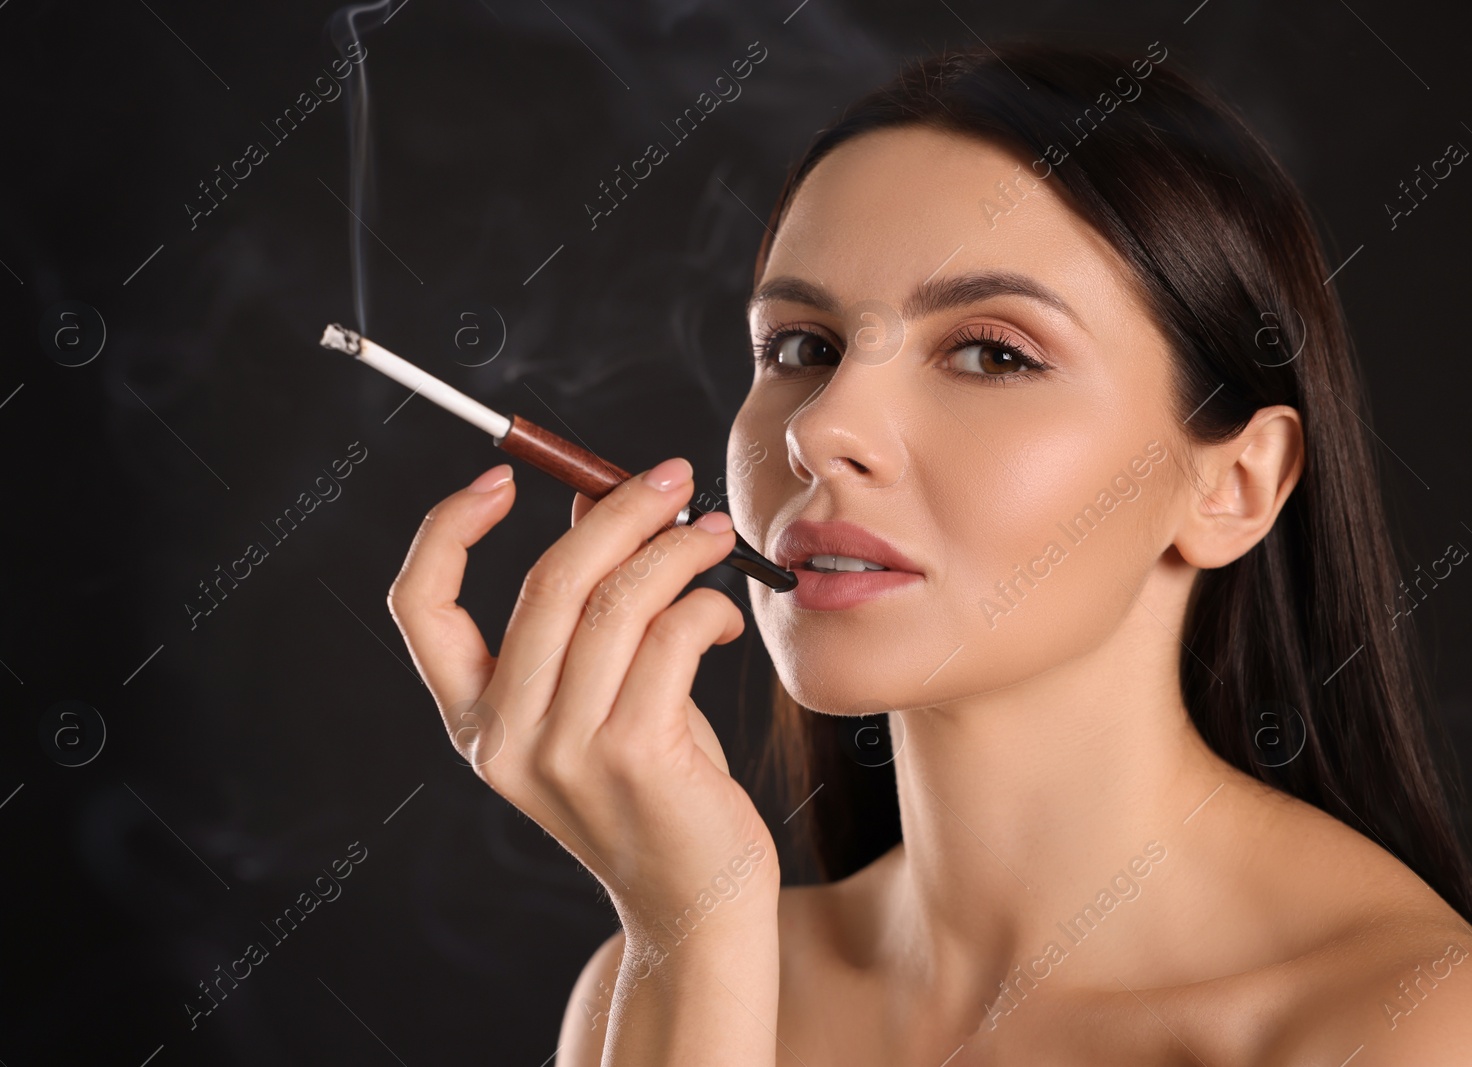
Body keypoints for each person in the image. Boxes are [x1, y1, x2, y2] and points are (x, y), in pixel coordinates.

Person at [389, 42, 1472, 1064]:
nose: (820, 429)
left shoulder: (1407, 1024)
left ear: (1232, 487)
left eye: (991, 353)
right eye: (801, 348)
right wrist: (692, 930)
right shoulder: (658, 968)